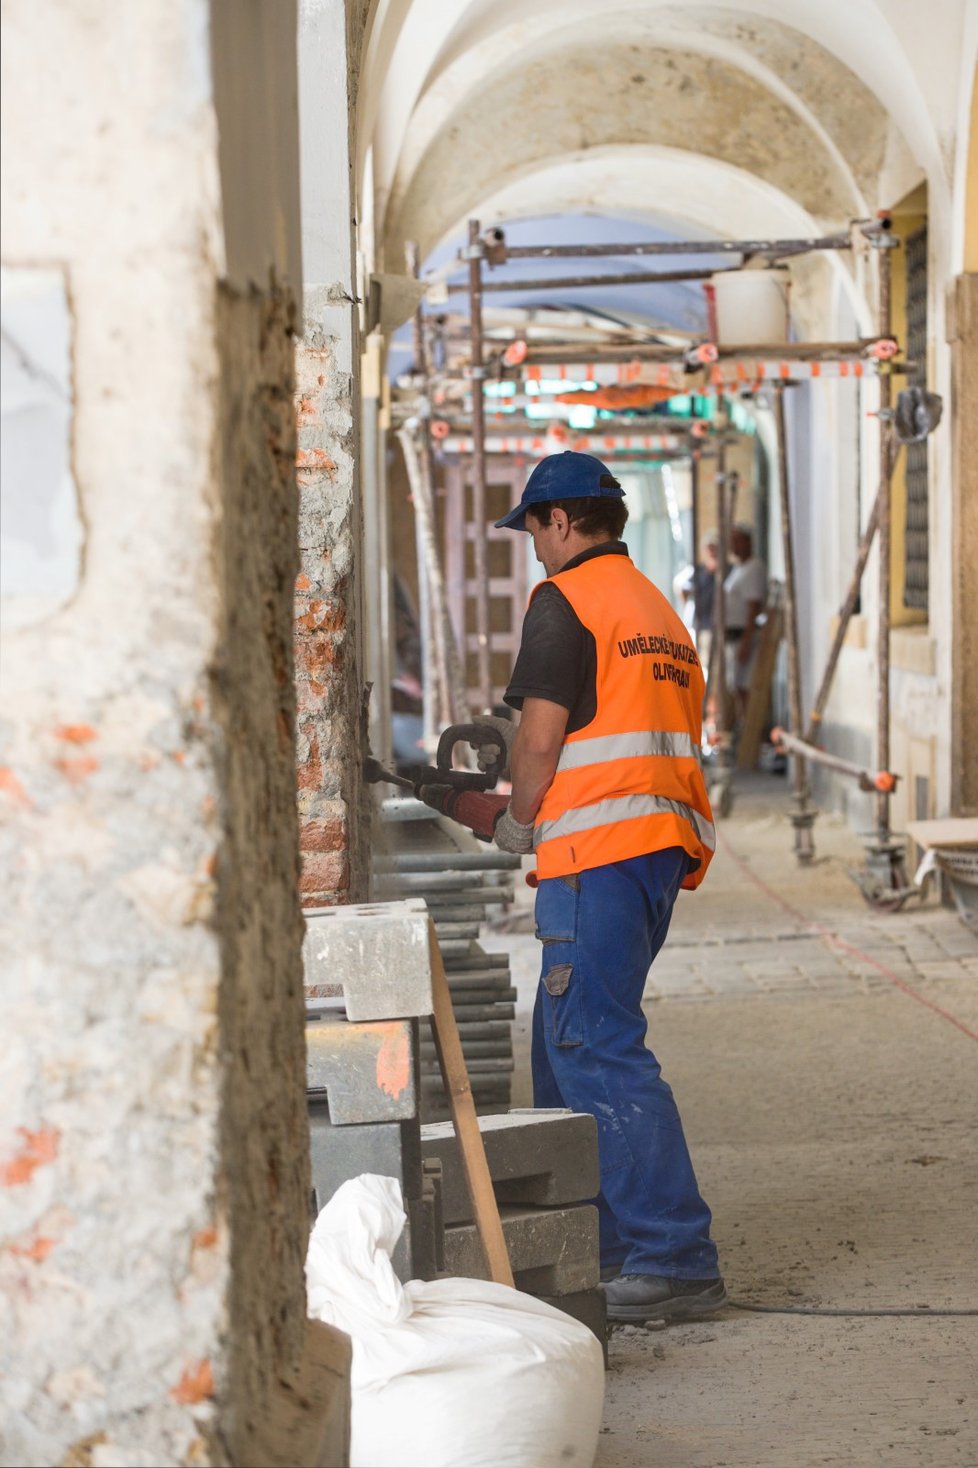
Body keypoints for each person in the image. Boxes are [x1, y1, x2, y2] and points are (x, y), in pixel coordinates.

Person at [488, 450, 725, 1324]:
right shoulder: (654, 608)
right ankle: (605, 1248)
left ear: (558, 521)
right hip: (656, 852)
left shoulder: (567, 600)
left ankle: (673, 1256)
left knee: (596, 1048)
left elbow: (542, 740)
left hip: (596, 855)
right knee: (564, 1049)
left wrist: (517, 818)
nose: (536, 552)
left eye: (535, 533)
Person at [723, 523, 767, 724]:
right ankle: (742, 725)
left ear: (749, 542)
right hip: (732, 637)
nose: (734, 546)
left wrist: (746, 642)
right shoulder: (738, 568)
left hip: (743, 636)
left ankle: (749, 728)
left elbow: (753, 606)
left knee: (745, 686)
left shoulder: (753, 567)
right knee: (736, 686)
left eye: (738, 541)